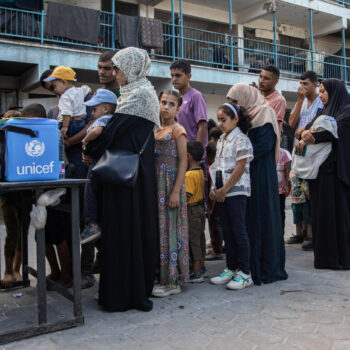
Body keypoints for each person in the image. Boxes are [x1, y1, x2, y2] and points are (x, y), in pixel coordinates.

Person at [84, 47, 160, 311]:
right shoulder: (134, 93)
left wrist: (89, 147)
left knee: (125, 232)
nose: (115, 75)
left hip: (129, 180)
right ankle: (124, 291)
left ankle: (123, 295)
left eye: (117, 69)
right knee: (123, 233)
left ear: (131, 68)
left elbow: (111, 134)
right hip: (127, 176)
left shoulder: (139, 95)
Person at [227, 83, 288, 285]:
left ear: (246, 97)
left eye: (236, 101)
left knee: (261, 216)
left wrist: (240, 150)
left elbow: (263, 145)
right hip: (246, 172)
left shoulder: (265, 113)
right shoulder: (245, 118)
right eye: (232, 102)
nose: (235, 106)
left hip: (261, 174)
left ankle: (264, 266)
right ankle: (245, 265)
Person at [296, 78, 350, 269]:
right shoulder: (323, 111)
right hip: (320, 174)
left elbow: (336, 132)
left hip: (337, 174)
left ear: (335, 92)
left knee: (337, 215)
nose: (321, 96)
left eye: (324, 91)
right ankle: (325, 257)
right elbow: (303, 129)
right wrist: (304, 134)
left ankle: (340, 258)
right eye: (319, 92)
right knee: (321, 215)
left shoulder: (346, 111)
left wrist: (310, 137)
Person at [209, 102, 254, 290]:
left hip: (235, 191)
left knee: (238, 230)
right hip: (221, 192)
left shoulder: (241, 139)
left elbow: (240, 167)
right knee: (227, 230)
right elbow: (216, 167)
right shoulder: (221, 140)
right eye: (219, 119)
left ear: (235, 119)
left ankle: (245, 273)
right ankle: (231, 268)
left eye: (224, 120)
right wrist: (214, 187)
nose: (220, 123)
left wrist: (225, 189)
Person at [152, 90, 189, 298]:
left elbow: (183, 160)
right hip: (156, 185)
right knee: (159, 230)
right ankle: (160, 276)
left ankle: (172, 280)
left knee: (171, 230)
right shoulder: (155, 128)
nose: (166, 106)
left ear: (178, 108)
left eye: (171, 104)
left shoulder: (178, 130)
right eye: (163, 102)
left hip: (170, 185)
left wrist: (175, 191)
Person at [79, 89, 117, 244]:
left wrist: (85, 141)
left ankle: (91, 224)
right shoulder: (111, 119)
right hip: (103, 162)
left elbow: (96, 131)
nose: (92, 113)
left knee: (89, 190)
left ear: (106, 109)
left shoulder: (104, 119)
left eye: (95, 109)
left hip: (97, 163)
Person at [44, 66, 91, 139]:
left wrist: (65, 127)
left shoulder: (65, 96)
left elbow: (66, 112)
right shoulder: (81, 90)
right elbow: (87, 89)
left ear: (63, 82)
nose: (54, 90)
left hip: (70, 124)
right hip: (81, 123)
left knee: (59, 140)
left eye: (54, 86)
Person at [170, 59, 208, 150]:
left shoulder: (196, 96)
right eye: (172, 76)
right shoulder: (175, 98)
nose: (174, 79)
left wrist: (196, 153)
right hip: (178, 152)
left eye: (178, 75)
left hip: (192, 154)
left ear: (188, 76)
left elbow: (202, 126)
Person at [185, 141, 206, 282]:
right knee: (200, 237)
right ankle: (202, 265)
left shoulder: (189, 175)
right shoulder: (200, 171)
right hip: (200, 209)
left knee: (193, 241)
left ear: (188, 156)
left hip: (191, 210)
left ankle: (196, 271)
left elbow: (187, 195)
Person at [289, 71, 324, 144]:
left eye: (305, 84)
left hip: (313, 147)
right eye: (300, 83)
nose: (301, 87)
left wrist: (305, 130)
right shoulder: (300, 101)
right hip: (297, 147)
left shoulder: (322, 102)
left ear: (315, 84)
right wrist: (300, 100)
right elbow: (291, 123)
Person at [205, 141, 224, 261]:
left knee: (215, 227)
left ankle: (217, 251)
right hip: (219, 205)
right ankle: (217, 248)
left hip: (215, 206)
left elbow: (213, 188)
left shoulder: (212, 168)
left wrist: (210, 208)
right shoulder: (219, 166)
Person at [258, 65, 286, 133]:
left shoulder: (279, 100)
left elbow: (272, 126)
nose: (261, 81)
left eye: (266, 78)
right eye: (260, 76)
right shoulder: (258, 97)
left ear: (276, 82)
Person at [277, 146, 291, 234]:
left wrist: (287, 185)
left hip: (281, 189)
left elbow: (286, 170)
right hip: (270, 189)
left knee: (281, 211)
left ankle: (281, 232)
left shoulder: (283, 153)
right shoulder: (268, 151)